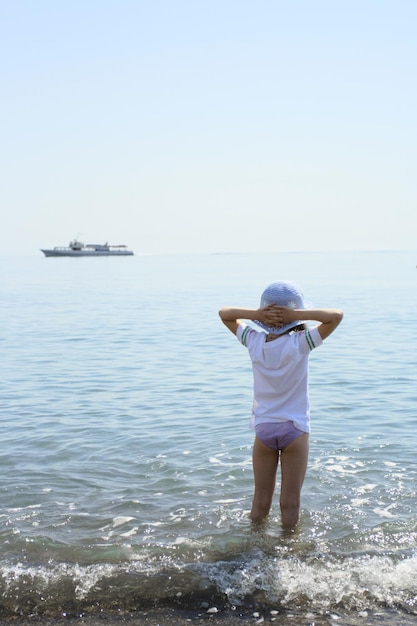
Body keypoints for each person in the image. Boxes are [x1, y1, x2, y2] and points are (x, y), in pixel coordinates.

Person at [218, 280, 343, 530]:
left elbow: (225, 314)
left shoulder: (253, 341)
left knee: (260, 501)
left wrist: (255, 314)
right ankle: (288, 549)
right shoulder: (301, 343)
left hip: (264, 429)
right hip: (294, 429)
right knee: (290, 502)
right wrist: (296, 315)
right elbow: (335, 317)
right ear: (295, 317)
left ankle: (254, 548)